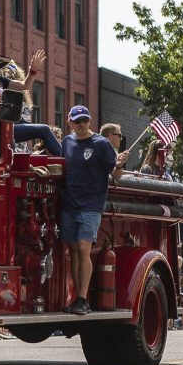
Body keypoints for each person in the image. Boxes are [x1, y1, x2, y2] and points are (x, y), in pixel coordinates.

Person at [60, 105, 129, 315]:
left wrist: (119, 165)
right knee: (72, 251)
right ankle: (76, 299)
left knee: (83, 248)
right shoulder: (67, 142)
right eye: (77, 121)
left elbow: (116, 177)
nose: (81, 125)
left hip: (91, 206)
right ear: (69, 122)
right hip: (69, 204)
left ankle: (82, 298)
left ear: (89, 121)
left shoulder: (101, 143)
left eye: (84, 121)